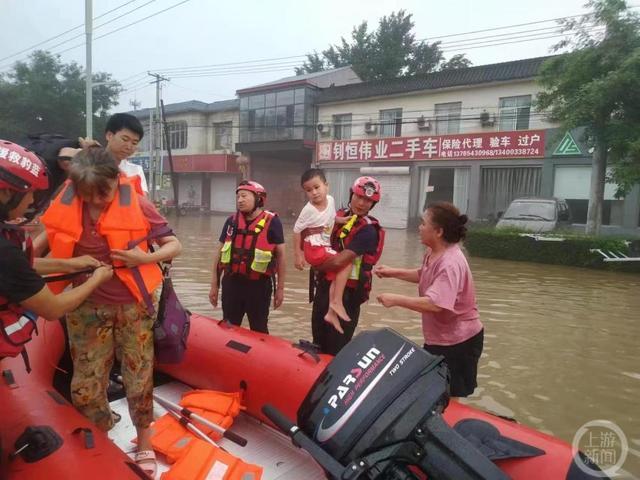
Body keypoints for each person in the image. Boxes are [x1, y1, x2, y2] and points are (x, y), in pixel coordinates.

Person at [40, 147, 181, 477]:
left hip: (133, 305)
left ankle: (145, 441)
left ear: (115, 181)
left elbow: (174, 245)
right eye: (88, 194)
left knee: (138, 376)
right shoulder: (67, 206)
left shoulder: (139, 204)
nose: (97, 201)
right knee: (85, 387)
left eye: (103, 192)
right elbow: (35, 250)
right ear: (75, 188)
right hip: (86, 308)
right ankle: (102, 431)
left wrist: (142, 259)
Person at [0, 140, 113, 367]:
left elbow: (20, 268)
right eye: (29, 193)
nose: (32, 201)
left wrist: (70, 264)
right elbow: (53, 308)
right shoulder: (5, 252)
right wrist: (97, 280)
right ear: (5, 193)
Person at [375, 202, 483, 398]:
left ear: (439, 231)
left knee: (451, 395)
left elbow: (436, 304)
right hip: (440, 337)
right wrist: (393, 272)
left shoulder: (450, 262)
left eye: (423, 223)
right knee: (432, 390)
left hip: (459, 341)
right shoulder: (433, 252)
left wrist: (396, 299)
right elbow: (424, 275)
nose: (419, 227)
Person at [310, 176, 385, 355]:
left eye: (368, 200)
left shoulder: (368, 231)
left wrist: (315, 262)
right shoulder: (335, 216)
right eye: (358, 197)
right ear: (351, 194)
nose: (361, 203)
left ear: (373, 204)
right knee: (317, 343)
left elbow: (339, 261)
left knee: (337, 348)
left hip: (347, 297)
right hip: (323, 289)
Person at [209, 180, 286, 334]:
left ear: (259, 199)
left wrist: (280, 289)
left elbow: (282, 257)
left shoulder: (273, 222)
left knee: (259, 328)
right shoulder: (231, 222)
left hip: (258, 286)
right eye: (238, 197)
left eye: (244, 196)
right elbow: (219, 252)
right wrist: (214, 285)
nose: (240, 200)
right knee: (228, 327)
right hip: (232, 283)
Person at [293, 168, 353, 333]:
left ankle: (331, 312)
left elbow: (330, 219)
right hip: (314, 248)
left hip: (324, 247)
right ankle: (336, 303)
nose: (314, 193)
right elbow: (297, 230)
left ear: (326, 186)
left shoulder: (331, 200)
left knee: (334, 275)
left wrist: (341, 220)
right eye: (308, 190)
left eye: (317, 187)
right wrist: (298, 255)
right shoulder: (308, 210)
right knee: (346, 263)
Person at [104, 113, 149, 194]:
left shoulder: (136, 171)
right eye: (125, 139)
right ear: (109, 135)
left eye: (134, 143)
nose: (129, 147)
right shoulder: (89, 165)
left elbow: (143, 202)